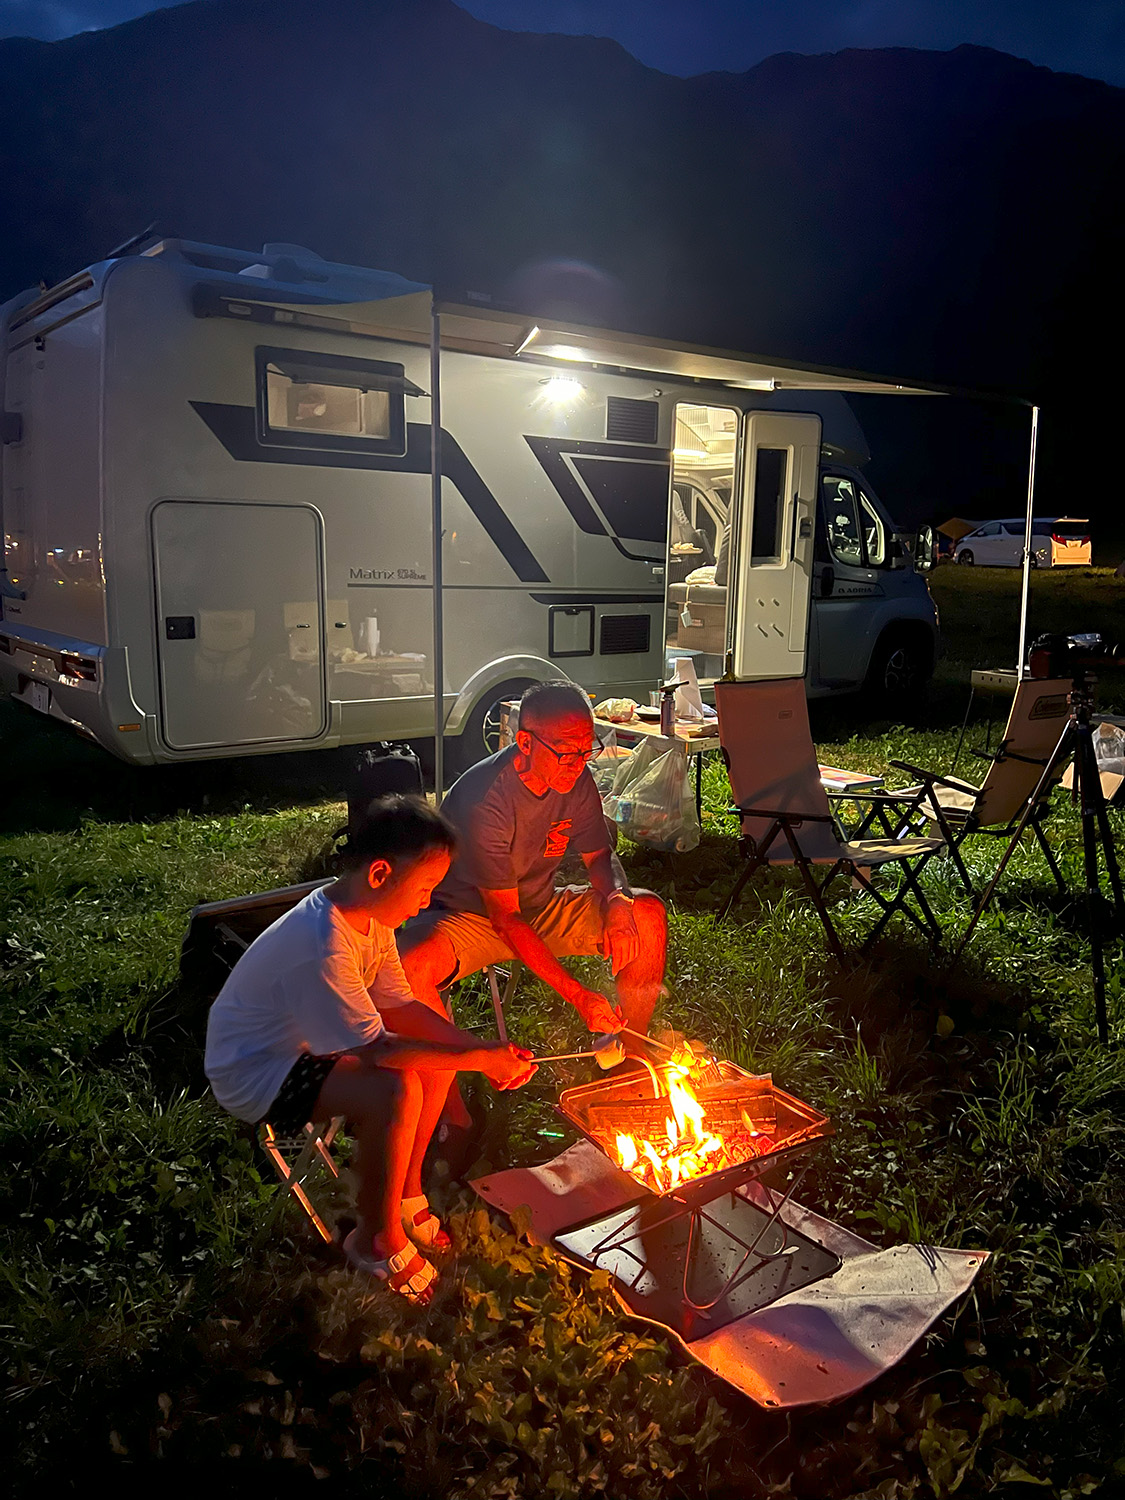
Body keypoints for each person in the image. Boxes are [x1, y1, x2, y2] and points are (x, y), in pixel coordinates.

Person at [204, 795, 536, 1304]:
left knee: (432, 1059)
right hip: (258, 1071)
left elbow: (398, 1003)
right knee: (396, 1085)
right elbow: (380, 1053)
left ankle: (405, 1196)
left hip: (308, 1044)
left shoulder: (371, 919)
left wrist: (481, 1049)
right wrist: (476, 1059)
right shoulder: (324, 941)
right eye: (424, 888)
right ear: (381, 874)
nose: (425, 903)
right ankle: (377, 1240)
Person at [399, 680, 668, 1150]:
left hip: (538, 905)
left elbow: (599, 855)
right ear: (524, 742)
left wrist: (617, 900)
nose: (579, 764)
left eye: (587, 751)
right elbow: (504, 920)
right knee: (411, 967)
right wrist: (579, 996)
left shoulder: (576, 779)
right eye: (566, 752)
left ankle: (630, 1064)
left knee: (646, 914)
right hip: (470, 917)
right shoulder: (487, 800)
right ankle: (456, 1118)